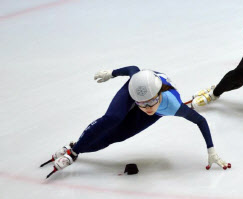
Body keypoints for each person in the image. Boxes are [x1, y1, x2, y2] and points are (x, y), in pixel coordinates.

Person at [41, 66, 230, 178]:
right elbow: (134, 70)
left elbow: (201, 121)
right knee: (112, 118)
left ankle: (74, 148)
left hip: (155, 97)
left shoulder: (173, 105)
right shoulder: (138, 89)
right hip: (138, 89)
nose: (147, 107)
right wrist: (112, 73)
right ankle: (74, 152)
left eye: (151, 102)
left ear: (159, 95)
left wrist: (211, 150)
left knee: (117, 135)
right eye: (142, 104)